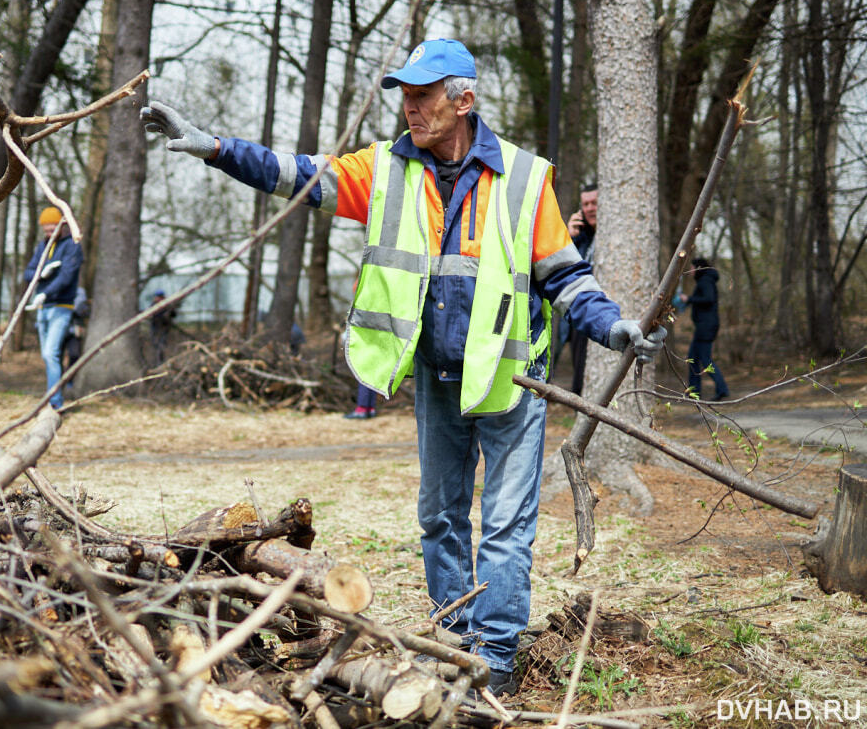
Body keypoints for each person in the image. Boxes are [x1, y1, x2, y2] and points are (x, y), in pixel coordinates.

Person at [140, 37, 665, 697]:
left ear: (463, 99)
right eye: (406, 96)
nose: (411, 109)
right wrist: (216, 147)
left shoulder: (526, 178)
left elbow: (566, 278)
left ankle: (495, 660)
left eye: (423, 96)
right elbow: (299, 173)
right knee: (440, 516)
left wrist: (614, 326)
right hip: (437, 380)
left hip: (510, 384)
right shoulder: (387, 168)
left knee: (504, 526)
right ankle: (453, 641)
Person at [23, 206, 82, 410]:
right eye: (46, 230)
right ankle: (52, 396)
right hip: (42, 307)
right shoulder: (43, 247)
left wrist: (46, 292)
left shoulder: (72, 246)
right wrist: (41, 274)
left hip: (61, 306)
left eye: (52, 230)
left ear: (62, 226)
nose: (49, 234)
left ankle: (55, 402)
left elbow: (67, 277)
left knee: (51, 354)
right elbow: (28, 272)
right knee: (47, 356)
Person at [563, 184, 598, 394]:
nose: (591, 208)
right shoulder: (581, 238)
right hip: (580, 313)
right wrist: (570, 238)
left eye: (595, 203)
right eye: (586, 204)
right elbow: (566, 270)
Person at [678, 257, 728, 401]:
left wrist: (689, 299)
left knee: (704, 360)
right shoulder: (705, 281)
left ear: (698, 267)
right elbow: (699, 299)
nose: (691, 271)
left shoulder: (706, 281)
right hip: (704, 326)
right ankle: (694, 393)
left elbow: (708, 298)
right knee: (693, 359)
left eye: (693, 267)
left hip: (706, 327)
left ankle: (721, 389)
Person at [61, 285, 90, 390]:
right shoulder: (59, 288)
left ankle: (70, 381)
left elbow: (81, 309)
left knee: (74, 355)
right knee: (56, 357)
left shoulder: (80, 291)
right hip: (59, 330)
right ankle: (59, 383)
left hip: (74, 331)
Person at [149, 289, 177, 365]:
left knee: (162, 345)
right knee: (155, 344)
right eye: (158, 297)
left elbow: (174, 315)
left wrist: (169, 313)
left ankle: (161, 361)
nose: (159, 298)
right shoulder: (153, 305)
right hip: (155, 328)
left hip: (164, 328)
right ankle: (155, 361)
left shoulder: (167, 305)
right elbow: (151, 315)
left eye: (160, 297)